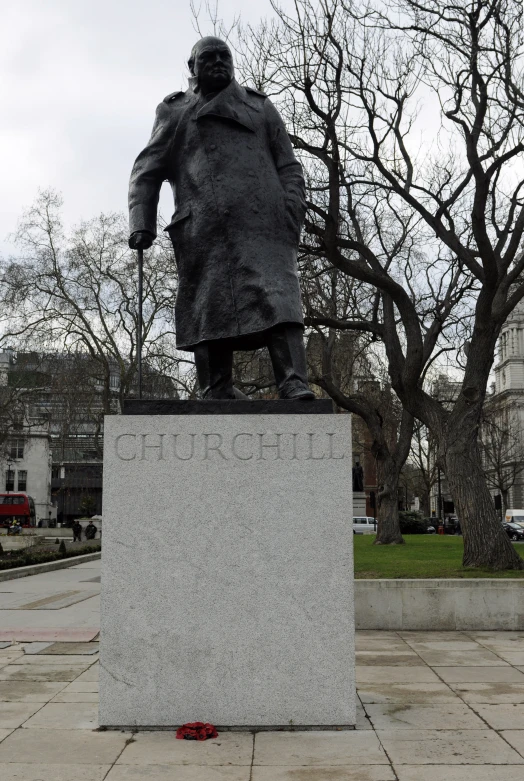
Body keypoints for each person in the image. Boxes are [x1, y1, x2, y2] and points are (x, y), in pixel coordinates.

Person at [129, 37, 315, 401]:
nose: (217, 62)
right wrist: (141, 223)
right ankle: (216, 388)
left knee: (279, 296)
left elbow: (289, 165)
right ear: (192, 66)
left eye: (224, 56)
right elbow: (146, 171)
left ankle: (293, 381)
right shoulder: (175, 112)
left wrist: (290, 209)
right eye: (208, 57)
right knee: (209, 305)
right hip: (204, 229)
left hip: (264, 224)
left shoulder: (259, 108)